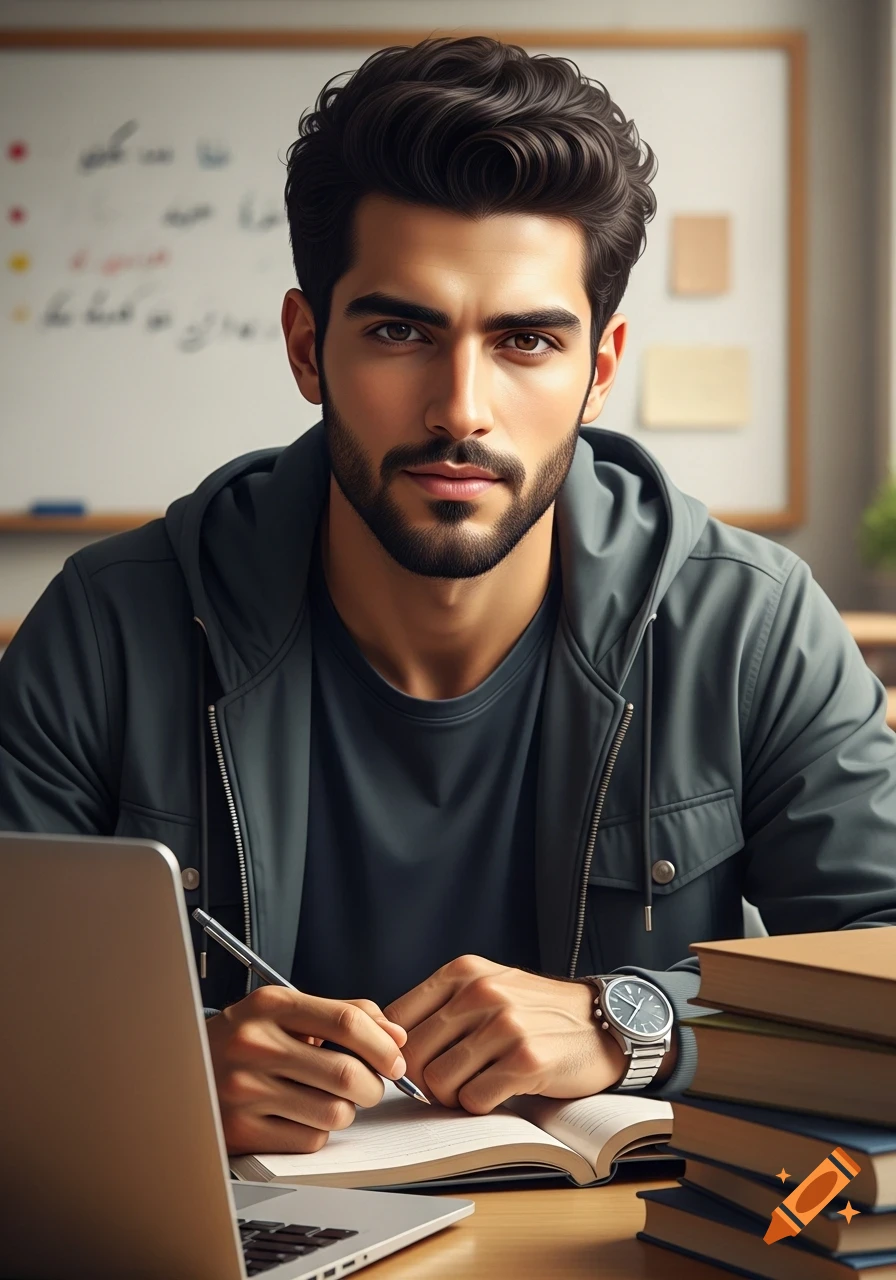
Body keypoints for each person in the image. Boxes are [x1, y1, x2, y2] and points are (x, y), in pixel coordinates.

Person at [2, 35, 895, 1160]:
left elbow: (884, 956)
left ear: (598, 364)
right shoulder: (108, 622)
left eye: (524, 339)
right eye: (398, 331)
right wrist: (157, 1072)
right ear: (305, 346)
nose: (459, 407)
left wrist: (632, 1020)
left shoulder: (748, 620)